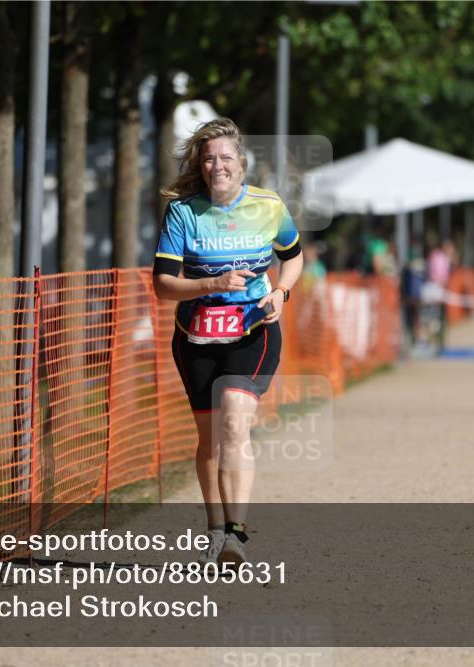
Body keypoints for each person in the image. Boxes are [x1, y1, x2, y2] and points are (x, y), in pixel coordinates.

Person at [152, 118, 303, 568]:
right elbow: (162, 285)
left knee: (235, 424)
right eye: (209, 158)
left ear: (242, 163)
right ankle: (215, 529)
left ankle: (237, 534)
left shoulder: (268, 205)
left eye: (226, 158)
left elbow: (292, 258)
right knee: (210, 440)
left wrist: (280, 292)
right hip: (196, 335)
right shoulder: (184, 212)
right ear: (201, 166)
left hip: (253, 330)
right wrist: (212, 282)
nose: (217, 165)